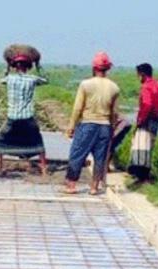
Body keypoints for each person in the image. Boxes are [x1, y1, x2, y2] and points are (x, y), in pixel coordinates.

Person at [65, 52, 120, 195]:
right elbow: (115, 113)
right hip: (105, 126)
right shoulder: (114, 87)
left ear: (94, 68)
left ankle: (71, 185)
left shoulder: (86, 84)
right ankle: (94, 187)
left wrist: (71, 126)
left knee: (77, 154)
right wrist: (112, 127)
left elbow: (78, 108)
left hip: (88, 124)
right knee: (100, 157)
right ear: (107, 68)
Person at [0, 55, 48, 175]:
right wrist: (38, 64)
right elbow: (46, 80)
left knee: (1, 142)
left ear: (15, 66)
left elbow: (0, 79)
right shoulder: (32, 79)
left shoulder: (10, 79)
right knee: (38, 142)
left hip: (12, 117)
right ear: (28, 67)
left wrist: (7, 65)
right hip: (27, 117)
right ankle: (44, 169)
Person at [130, 62, 158, 183]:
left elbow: (147, 105)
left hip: (146, 120)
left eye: (138, 75)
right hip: (155, 120)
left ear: (143, 75)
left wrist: (140, 121)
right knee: (149, 146)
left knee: (140, 146)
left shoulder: (146, 87)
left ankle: (140, 176)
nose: (138, 78)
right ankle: (144, 175)